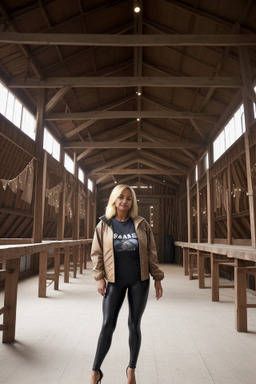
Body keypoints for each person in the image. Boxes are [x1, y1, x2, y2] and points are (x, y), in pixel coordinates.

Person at [90, 184, 164, 384]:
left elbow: (151, 253)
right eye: (121, 197)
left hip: (139, 281)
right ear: (114, 199)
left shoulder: (141, 224)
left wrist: (157, 278)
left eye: (129, 198)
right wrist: (99, 278)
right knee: (107, 325)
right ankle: (96, 371)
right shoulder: (104, 225)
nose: (124, 201)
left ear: (133, 202)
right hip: (114, 282)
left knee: (134, 324)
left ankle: (131, 369)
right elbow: (96, 253)